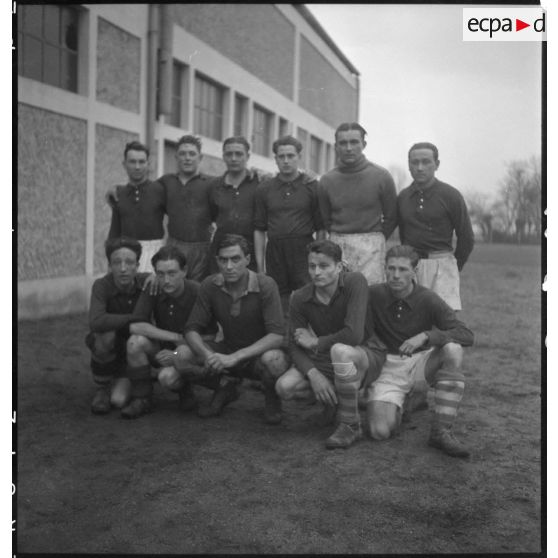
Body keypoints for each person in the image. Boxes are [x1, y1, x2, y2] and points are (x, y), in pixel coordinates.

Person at [270, 239, 384, 449]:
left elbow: (354, 335)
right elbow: (294, 345)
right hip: (328, 355)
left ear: (339, 267)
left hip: (366, 352)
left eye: (324, 266)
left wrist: (315, 342)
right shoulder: (300, 297)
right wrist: (314, 375)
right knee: (285, 387)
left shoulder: (354, 282)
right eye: (312, 266)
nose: (317, 272)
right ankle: (338, 401)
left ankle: (351, 424)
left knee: (341, 351)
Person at [365, 245, 474, 458]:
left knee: (453, 350)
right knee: (379, 432)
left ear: (415, 271)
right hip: (387, 370)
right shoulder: (373, 294)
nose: (396, 275)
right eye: (391, 268)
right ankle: (401, 404)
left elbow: (466, 334)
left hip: (420, 365)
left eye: (403, 269)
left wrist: (427, 336)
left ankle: (441, 431)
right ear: (384, 268)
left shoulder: (428, 298)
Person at [183, 234, 289, 422]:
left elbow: (277, 336)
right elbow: (191, 329)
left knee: (275, 359)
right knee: (179, 354)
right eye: (223, 260)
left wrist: (236, 357)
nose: (229, 266)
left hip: (257, 356)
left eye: (235, 259)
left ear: (248, 260)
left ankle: (272, 399)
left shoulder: (265, 285)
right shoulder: (209, 285)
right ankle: (223, 387)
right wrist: (208, 356)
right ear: (217, 261)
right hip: (226, 351)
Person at [120, 246, 211, 418]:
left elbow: (211, 335)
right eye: (160, 274)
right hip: (164, 348)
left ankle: (185, 388)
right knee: (134, 341)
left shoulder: (198, 292)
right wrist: (175, 337)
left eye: (172, 273)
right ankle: (142, 398)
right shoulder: (154, 287)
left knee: (166, 377)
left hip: (189, 351)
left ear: (184, 271)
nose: (166, 280)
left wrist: (180, 349)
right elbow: (135, 326)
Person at [397, 142, 474, 310]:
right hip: (411, 265)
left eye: (426, 162)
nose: (420, 167)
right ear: (408, 164)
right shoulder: (403, 197)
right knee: (411, 316)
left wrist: (453, 266)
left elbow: (466, 237)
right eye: (414, 162)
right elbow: (404, 234)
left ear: (436, 164)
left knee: (443, 321)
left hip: (442, 265)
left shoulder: (451, 195)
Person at [318, 122, 397, 285]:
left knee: (370, 299)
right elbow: (326, 219)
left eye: (354, 142)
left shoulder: (381, 176)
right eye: (343, 143)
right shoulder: (326, 181)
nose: (348, 148)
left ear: (364, 144)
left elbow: (392, 216)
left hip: (371, 250)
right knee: (339, 298)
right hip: (338, 247)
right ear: (336, 146)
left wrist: (374, 240)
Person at [254, 135, 325, 311]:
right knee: (278, 300)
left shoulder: (311, 186)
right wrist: (260, 267)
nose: (286, 161)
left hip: (304, 249)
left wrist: (318, 257)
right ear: (275, 159)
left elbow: (321, 228)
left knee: (308, 297)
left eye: (291, 156)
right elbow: (259, 229)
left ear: (299, 157)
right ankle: (282, 336)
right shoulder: (265, 188)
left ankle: (305, 335)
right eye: (281, 156)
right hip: (276, 251)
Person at [86, 237, 149, 414]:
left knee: (118, 400)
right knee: (104, 336)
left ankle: (141, 384)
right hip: (111, 347)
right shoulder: (101, 286)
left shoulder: (147, 283)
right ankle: (102, 388)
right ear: (110, 265)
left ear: (137, 265)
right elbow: (96, 321)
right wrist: (133, 318)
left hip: (133, 350)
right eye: (117, 262)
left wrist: (155, 278)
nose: (123, 268)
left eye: (129, 262)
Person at [158, 135, 214, 282]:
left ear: (200, 157)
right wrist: (117, 188)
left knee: (197, 292)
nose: (187, 158)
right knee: (172, 288)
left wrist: (253, 173)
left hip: (202, 249)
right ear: (176, 157)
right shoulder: (166, 181)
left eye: (192, 154)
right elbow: (145, 190)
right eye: (182, 154)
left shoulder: (211, 183)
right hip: (174, 245)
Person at [107, 141, 166, 272]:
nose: (137, 167)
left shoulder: (160, 189)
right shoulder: (118, 193)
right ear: (124, 164)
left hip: (154, 254)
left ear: (148, 164)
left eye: (142, 162)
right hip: (126, 255)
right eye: (132, 162)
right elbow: (114, 231)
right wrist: (110, 262)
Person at [208, 136, 261, 272]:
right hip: (222, 250)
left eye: (239, 154)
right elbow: (212, 216)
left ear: (247, 156)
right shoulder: (214, 186)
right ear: (223, 156)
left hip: (251, 251)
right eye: (229, 154)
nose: (233, 158)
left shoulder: (260, 183)